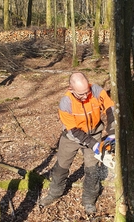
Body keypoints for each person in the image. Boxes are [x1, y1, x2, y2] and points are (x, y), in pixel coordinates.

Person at [39, 72, 115, 214]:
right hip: (71, 137)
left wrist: (112, 131)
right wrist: (94, 144)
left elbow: (110, 108)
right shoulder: (65, 103)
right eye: (81, 95)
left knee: (92, 170)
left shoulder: (97, 91)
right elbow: (74, 131)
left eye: (87, 92)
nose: (85, 96)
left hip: (95, 132)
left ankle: (89, 200)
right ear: (71, 88)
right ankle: (54, 193)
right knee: (61, 166)